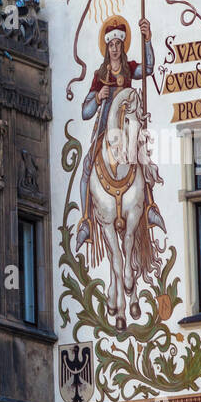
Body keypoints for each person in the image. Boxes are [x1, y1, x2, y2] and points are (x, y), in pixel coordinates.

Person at [75, 15, 164, 251]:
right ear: (107, 48)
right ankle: (85, 220)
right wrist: (97, 96)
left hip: (129, 129)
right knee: (86, 167)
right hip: (105, 129)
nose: (115, 49)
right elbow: (85, 112)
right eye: (111, 45)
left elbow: (148, 69)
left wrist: (147, 40)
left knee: (143, 160)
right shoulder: (100, 75)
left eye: (118, 44)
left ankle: (149, 206)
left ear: (122, 46)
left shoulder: (129, 68)